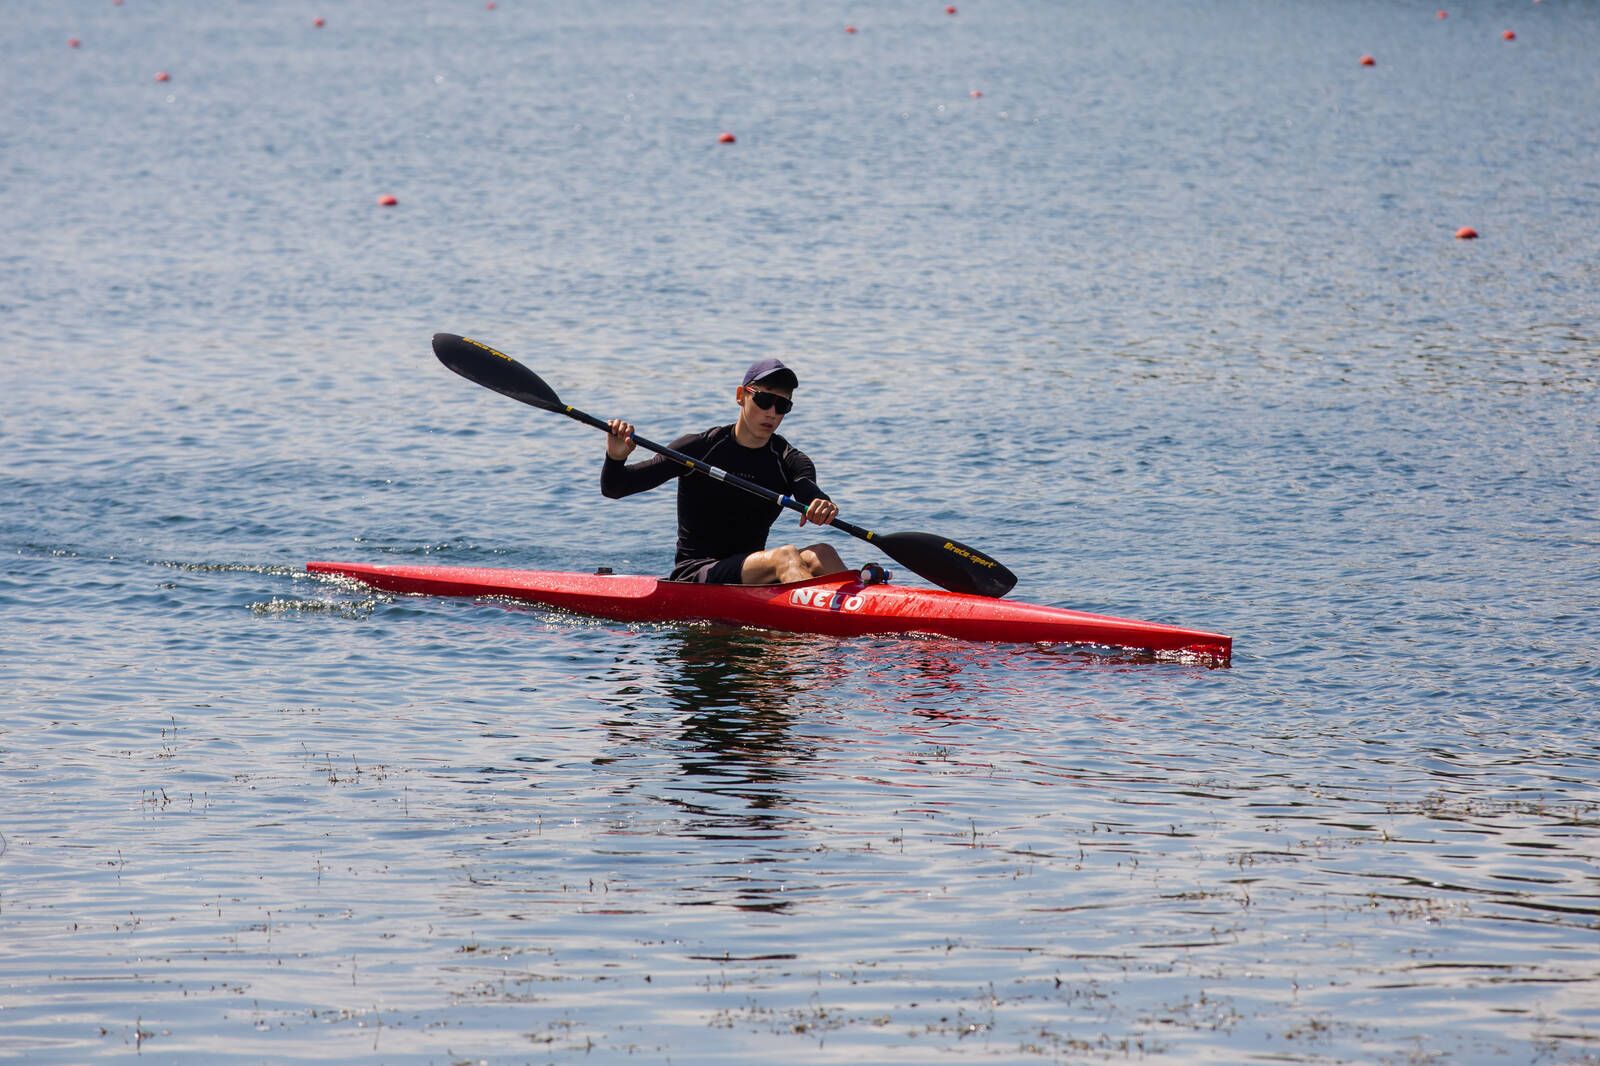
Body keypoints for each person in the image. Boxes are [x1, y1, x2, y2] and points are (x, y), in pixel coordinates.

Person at [602, 358, 848, 585]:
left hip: (753, 571)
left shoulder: (789, 460)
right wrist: (616, 457)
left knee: (822, 553)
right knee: (785, 556)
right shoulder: (698, 449)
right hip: (696, 572)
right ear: (741, 396)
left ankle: (862, 614)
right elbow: (616, 488)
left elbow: (809, 491)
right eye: (764, 400)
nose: (772, 412)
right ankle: (819, 620)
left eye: (782, 405)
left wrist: (822, 505)